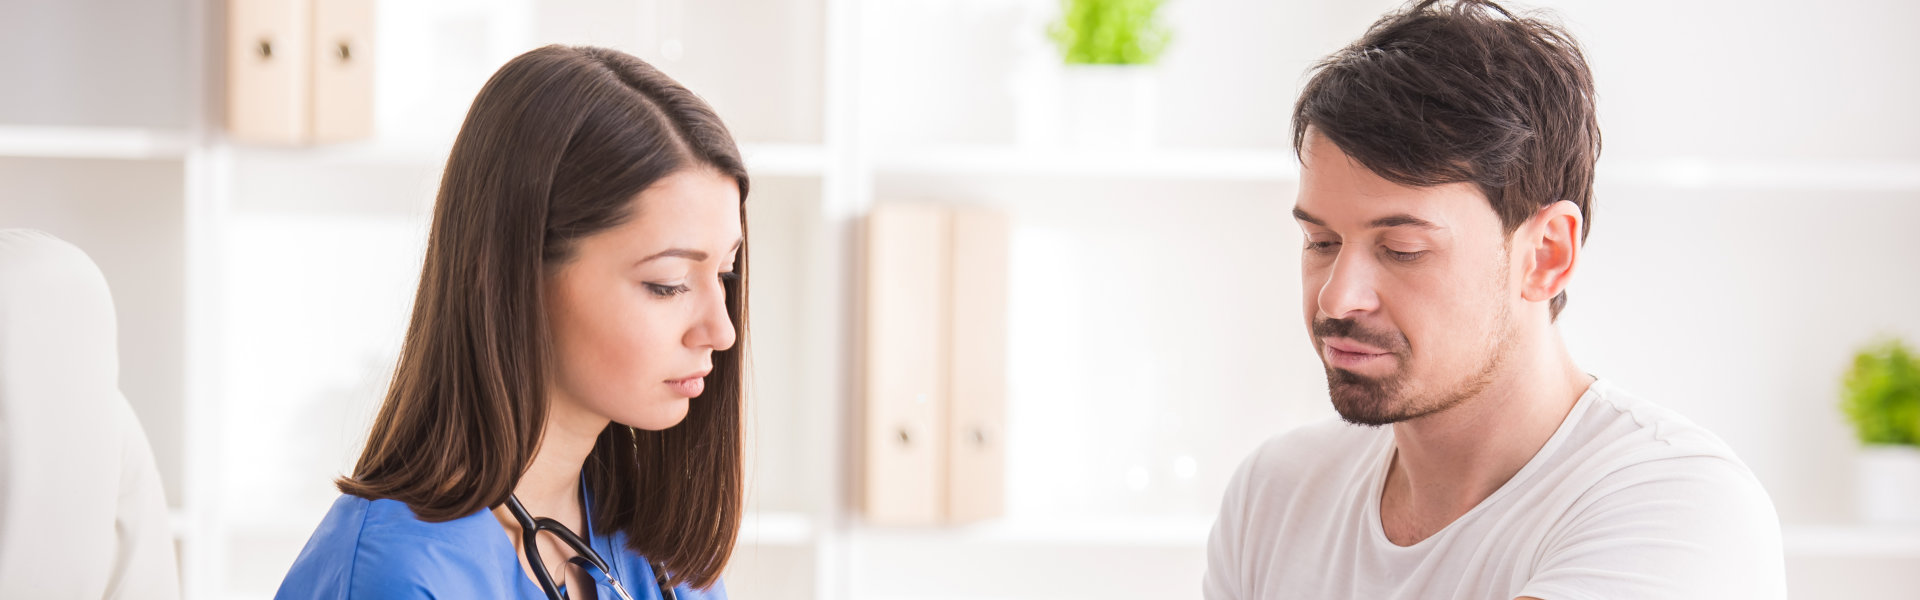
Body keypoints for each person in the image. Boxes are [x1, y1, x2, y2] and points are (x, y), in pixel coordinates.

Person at [1202, 1, 1786, 598]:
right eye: (1321, 241)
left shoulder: (1681, 510)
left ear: (1546, 254)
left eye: (1402, 249)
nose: (1337, 297)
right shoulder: (1274, 494)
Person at [274, 45, 748, 599]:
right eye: (667, 284)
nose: (722, 330)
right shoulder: (398, 576)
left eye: (726, 274)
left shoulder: (660, 560)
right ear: (517, 273)